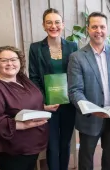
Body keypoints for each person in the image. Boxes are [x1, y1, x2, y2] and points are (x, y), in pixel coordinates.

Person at [68, 12, 110, 170]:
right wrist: (91, 109)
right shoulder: (77, 57)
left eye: (102, 27)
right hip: (90, 117)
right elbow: (75, 90)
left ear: (107, 29)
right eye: (94, 26)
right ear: (88, 29)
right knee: (86, 158)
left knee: (109, 156)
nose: (99, 30)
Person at [0, 46, 48, 170]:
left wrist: (44, 107)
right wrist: (24, 125)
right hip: (11, 149)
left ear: (20, 61)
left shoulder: (22, 78)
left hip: (31, 145)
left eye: (14, 59)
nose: (10, 63)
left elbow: (30, 100)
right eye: (4, 60)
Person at [28, 8, 78, 170]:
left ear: (63, 25)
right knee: (52, 144)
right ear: (43, 25)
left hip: (69, 103)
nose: (53, 26)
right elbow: (34, 78)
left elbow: (77, 74)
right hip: (48, 104)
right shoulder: (35, 48)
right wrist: (43, 101)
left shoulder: (72, 46)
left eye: (57, 22)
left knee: (65, 142)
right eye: (49, 22)